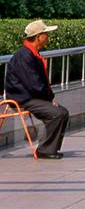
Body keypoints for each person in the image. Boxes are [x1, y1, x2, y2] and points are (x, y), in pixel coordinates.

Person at [3, 20, 69, 159]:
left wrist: (49, 99)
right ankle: (45, 150)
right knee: (57, 113)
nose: (47, 37)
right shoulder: (25, 55)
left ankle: (50, 147)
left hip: (31, 96)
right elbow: (34, 85)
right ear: (38, 37)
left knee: (63, 112)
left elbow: (37, 84)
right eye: (45, 34)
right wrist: (49, 100)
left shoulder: (32, 54)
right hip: (22, 98)